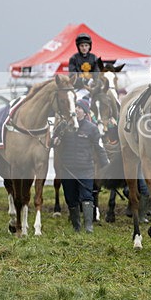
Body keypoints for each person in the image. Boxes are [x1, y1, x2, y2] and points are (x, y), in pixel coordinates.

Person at [56, 99, 109, 233]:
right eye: (76, 107)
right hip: (68, 169)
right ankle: (76, 227)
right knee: (70, 198)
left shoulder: (92, 128)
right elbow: (52, 142)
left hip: (85, 169)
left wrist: (106, 166)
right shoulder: (64, 126)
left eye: (80, 108)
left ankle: (88, 226)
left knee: (87, 196)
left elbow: (99, 148)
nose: (77, 110)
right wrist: (55, 139)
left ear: (85, 113)